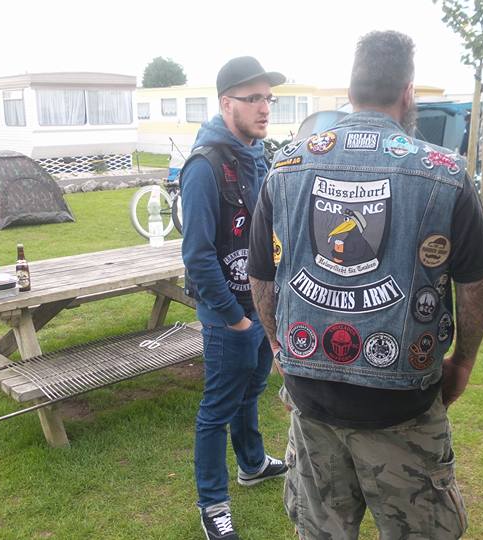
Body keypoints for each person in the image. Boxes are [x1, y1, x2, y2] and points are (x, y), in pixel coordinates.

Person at [248, 31, 483, 539]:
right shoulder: (445, 173)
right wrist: (464, 361)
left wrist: (278, 344)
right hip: (403, 400)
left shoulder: (288, 164)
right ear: (407, 93)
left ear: (351, 90)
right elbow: (474, 284)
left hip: (312, 393)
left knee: (321, 532)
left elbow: (261, 274)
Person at [180, 56, 288, 540]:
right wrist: (236, 320)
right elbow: (197, 256)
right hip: (229, 317)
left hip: (260, 307)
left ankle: (252, 463)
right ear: (227, 104)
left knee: (251, 391)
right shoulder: (204, 167)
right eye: (254, 98)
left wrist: (265, 311)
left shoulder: (257, 157)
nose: (265, 108)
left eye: (268, 98)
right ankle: (212, 503)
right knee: (217, 409)